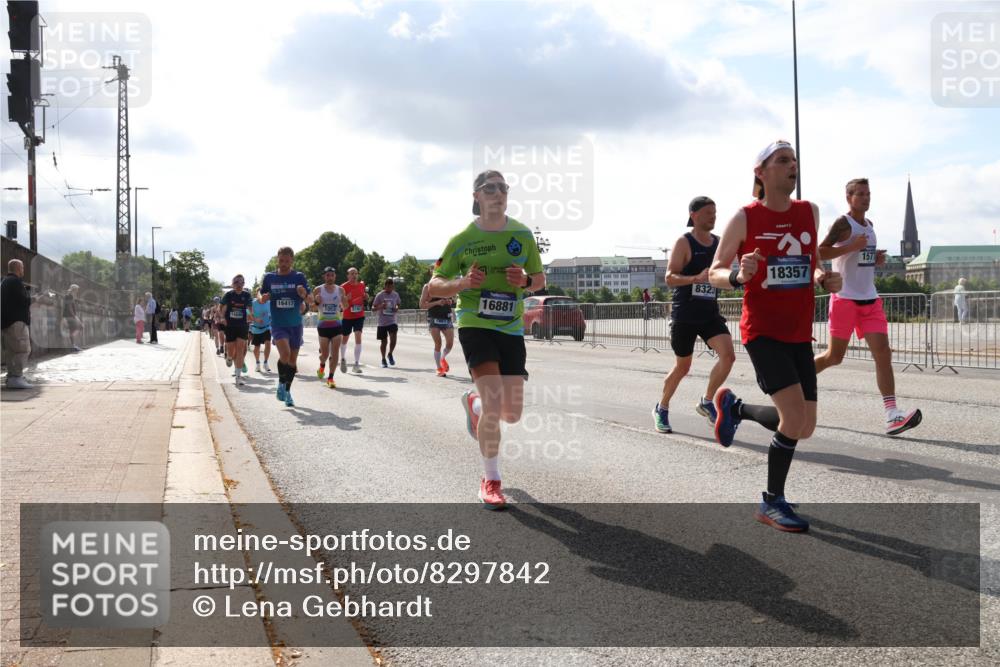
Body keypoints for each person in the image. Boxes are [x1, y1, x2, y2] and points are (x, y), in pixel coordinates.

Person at [708, 140, 843, 533]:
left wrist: (823, 277)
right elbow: (716, 270)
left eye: (794, 160)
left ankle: (737, 410)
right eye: (782, 161)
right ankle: (771, 502)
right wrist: (738, 275)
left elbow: (812, 262)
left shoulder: (809, 211)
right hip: (763, 332)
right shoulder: (745, 218)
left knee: (805, 426)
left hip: (799, 332)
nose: (792, 166)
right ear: (761, 173)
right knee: (794, 417)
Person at [429, 169, 545, 510]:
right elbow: (435, 284)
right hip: (475, 323)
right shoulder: (462, 239)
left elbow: (539, 279)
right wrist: (463, 283)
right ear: (476, 196)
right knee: (496, 405)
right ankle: (491, 480)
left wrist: (523, 281)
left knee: (512, 414)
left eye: (503, 188)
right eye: (490, 188)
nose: (498, 193)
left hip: (510, 326)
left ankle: (474, 404)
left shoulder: (521, 234)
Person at [813, 178, 922, 436]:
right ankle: (798, 379)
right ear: (849, 198)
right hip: (845, 300)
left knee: (883, 353)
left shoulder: (870, 226)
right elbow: (819, 252)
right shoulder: (843, 224)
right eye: (860, 194)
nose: (865, 198)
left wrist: (875, 258)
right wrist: (852, 246)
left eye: (868, 194)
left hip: (870, 299)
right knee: (834, 357)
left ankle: (892, 414)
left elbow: (860, 259)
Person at [261, 246, 311, 407]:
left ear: (292, 261)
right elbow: (260, 295)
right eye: (281, 260)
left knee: (292, 361)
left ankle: (287, 391)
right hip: (278, 324)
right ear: (277, 259)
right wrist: (263, 297)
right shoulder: (269, 277)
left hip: (295, 324)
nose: (284, 264)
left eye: (287, 261)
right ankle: (281, 384)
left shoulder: (298, 277)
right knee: (285, 354)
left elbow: (309, 299)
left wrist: (303, 295)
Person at [1, 259, 48, 389]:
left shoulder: (5, 281)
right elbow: (24, 300)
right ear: (17, 268)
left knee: (12, 352)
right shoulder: (15, 282)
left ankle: (12, 378)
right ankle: (16, 377)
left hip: (7, 322)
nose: (23, 270)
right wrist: (37, 298)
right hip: (16, 322)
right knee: (23, 349)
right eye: (22, 268)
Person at [312, 267, 348, 388]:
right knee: (325, 354)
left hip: (337, 325)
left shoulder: (340, 290)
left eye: (332, 275)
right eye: (327, 275)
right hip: (323, 326)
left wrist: (345, 301)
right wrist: (316, 302)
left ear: (335, 276)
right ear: (324, 277)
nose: (330, 277)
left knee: (335, 352)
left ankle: (331, 378)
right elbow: (312, 308)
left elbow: (346, 306)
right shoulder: (318, 289)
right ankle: (322, 365)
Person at [420, 261, 455, 377]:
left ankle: (442, 359)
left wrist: (450, 301)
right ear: (431, 272)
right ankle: (439, 369)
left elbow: (453, 300)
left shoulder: (447, 284)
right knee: (438, 343)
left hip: (446, 317)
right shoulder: (427, 287)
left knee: (450, 344)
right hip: (434, 318)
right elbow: (422, 305)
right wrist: (437, 302)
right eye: (435, 270)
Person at [221, 274, 253, 386]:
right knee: (231, 351)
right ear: (232, 284)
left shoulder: (247, 295)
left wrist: (250, 315)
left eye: (241, 282)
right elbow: (223, 308)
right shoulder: (228, 295)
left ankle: (238, 376)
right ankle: (229, 357)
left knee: (240, 349)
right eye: (236, 282)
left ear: (244, 284)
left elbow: (249, 308)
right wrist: (222, 317)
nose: (239, 285)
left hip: (243, 325)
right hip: (230, 325)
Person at [339, 267, 367, 374]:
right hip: (347, 316)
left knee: (358, 336)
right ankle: (342, 359)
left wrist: (365, 296)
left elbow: (363, 296)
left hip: (359, 315)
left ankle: (356, 364)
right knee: (345, 339)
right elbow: (342, 305)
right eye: (352, 273)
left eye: (356, 273)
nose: (354, 275)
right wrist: (347, 299)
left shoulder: (361, 285)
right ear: (348, 275)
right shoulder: (343, 287)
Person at [373, 278, 402, 368]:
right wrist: (381, 306)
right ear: (385, 286)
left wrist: (396, 307)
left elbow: (398, 303)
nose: (389, 288)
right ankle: (383, 359)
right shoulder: (380, 295)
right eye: (388, 286)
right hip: (382, 322)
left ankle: (390, 354)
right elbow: (373, 308)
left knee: (393, 338)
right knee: (384, 342)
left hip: (392, 320)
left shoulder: (395, 294)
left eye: (391, 286)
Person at [249, 288, 272, 374]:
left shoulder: (269, 303)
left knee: (268, 343)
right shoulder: (253, 303)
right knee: (257, 347)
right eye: (262, 294)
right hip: (256, 328)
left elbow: (272, 314)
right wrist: (255, 319)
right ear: (257, 294)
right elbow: (247, 312)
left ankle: (265, 362)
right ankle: (257, 363)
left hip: (267, 327)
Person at [63, 284, 83, 352]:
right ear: (74, 289)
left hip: (69, 315)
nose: (77, 291)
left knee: (77, 328)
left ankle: (73, 345)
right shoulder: (69, 296)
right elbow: (69, 307)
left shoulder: (70, 296)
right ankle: (73, 346)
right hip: (69, 316)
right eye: (77, 290)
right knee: (74, 329)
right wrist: (74, 316)